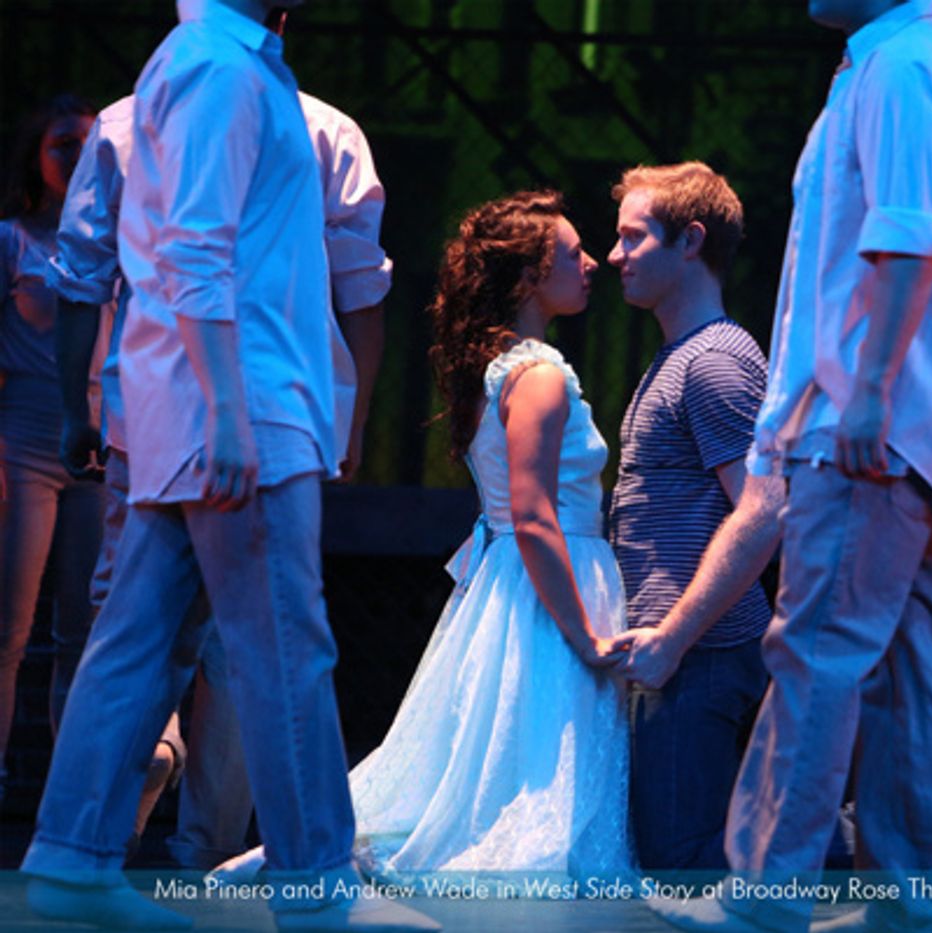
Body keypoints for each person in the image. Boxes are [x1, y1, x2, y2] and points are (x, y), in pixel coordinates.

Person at [20, 2, 436, 930]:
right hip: (238, 405)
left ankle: (72, 855)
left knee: (135, 637)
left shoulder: (221, 58)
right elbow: (196, 249)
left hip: (202, 405)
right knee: (285, 646)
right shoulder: (219, 66)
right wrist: (225, 415)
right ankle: (317, 883)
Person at [655, 1, 932, 930]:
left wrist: (872, 391)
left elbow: (908, 236)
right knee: (901, 669)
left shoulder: (903, 69)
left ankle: (767, 892)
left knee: (815, 648)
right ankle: (913, 896)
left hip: (870, 422)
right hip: (894, 422)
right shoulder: (893, 66)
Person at [214, 190, 634, 884]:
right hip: (546, 585)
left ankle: (316, 849)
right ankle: (329, 853)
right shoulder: (540, 378)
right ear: (529, 277)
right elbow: (532, 516)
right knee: (528, 768)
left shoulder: (501, 370)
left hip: (507, 582)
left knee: (471, 760)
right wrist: (586, 634)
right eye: (571, 253)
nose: (591, 264)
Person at [604, 161, 770, 873]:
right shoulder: (682, 356)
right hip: (679, 653)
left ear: (691, 241)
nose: (614, 255)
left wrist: (673, 637)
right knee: (678, 853)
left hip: (701, 652)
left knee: (685, 858)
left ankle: (909, 842)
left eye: (632, 237)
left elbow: (765, 513)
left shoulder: (716, 362)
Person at [0, 92, 103, 807]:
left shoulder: (115, 238)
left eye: (89, 143)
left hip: (101, 447)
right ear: (35, 159)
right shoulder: (11, 240)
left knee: (86, 628)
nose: (78, 156)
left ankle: (72, 792)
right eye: (63, 144)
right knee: (8, 624)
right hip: (24, 444)